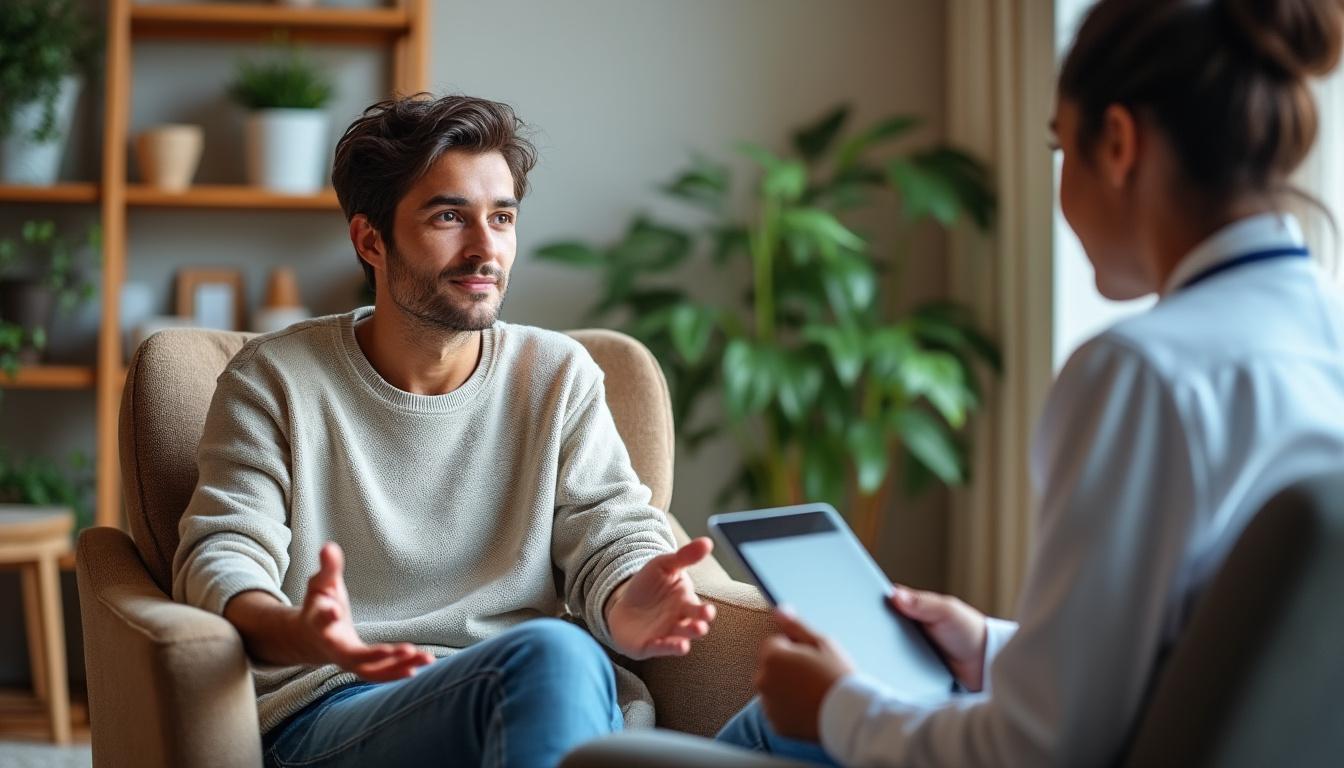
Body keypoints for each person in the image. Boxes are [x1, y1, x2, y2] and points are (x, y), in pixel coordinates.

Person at [712, 0, 1344, 765]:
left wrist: (840, 706)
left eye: (1057, 148)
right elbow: (1214, 669)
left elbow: (1032, 751)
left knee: (769, 724)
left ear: (1116, 143)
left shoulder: (1143, 374)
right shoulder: (1319, 339)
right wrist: (990, 648)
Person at [171, 94, 717, 768]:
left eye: (502, 217)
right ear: (371, 240)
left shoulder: (557, 374)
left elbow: (612, 530)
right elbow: (222, 553)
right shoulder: (275, 379)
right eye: (450, 216)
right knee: (556, 653)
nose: (486, 248)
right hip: (340, 709)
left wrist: (629, 598)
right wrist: (303, 633)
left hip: (541, 696)